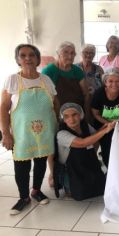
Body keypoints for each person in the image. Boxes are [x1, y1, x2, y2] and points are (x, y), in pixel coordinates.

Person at [0, 44, 58, 215]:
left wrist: (57, 124)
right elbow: (3, 107)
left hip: (45, 131)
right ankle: (24, 197)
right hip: (21, 132)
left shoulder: (45, 80)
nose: (28, 58)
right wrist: (6, 133)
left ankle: (36, 191)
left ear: (37, 58)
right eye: (23, 55)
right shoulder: (13, 79)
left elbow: (55, 102)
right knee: (22, 164)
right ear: (18, 59)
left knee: (41, 161)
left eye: (31, 55)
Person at [42, 41, 90, 186]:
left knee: (80, 141)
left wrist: (86, 114)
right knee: (54, 145)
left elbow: (86, 93)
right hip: (57, 113)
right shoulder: (49, 70)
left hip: (76, 112)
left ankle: (77, 169)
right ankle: (53, 174)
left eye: (72, 53)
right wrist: (55, 115)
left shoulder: (77, 70)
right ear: (58, 54)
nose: (69, 56)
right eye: (66, 53)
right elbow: (46, 95)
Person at [55, 103, 115, 200]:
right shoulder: (62, 134)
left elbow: (95, 137)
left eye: (74, 115)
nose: (71, 119)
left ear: (81, 115)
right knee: (81, 193)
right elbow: (82, 143)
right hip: (72, 172)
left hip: (88, 166)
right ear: (63, 119)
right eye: (67, 116)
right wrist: (105, 131)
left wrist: (105, 126)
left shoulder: (85, 126)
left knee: (103, 188)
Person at [91, 69, 119, 168]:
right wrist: (108, 124)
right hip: (103, 125)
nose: (114, 84)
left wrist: (117, 123)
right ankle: (109, 170)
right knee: (106, 150)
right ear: (105, 82)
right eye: (110, 81)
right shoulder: (99, 93)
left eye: (117, 81)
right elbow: (96, 114)